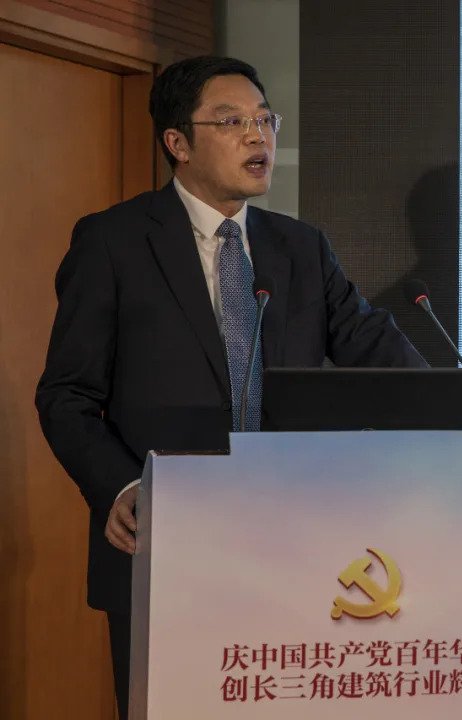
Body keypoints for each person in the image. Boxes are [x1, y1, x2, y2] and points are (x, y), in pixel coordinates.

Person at [35, 56, 427, 719]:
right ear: (178, 142)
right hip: (166, 543)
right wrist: (123, 487)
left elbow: (373, 347)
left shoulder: (300, 248)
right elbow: (66, 396)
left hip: (290, 545)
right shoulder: (113, 242)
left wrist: (445, 408)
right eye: (231, 121)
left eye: (265, 120)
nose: (257, 136)